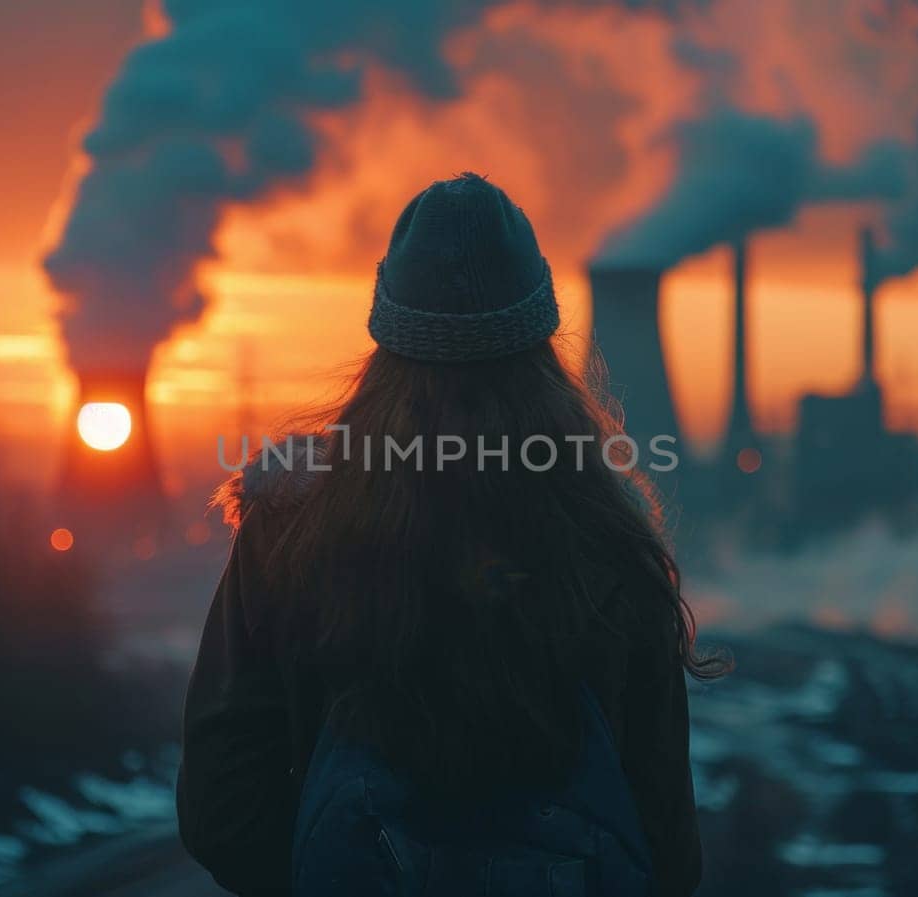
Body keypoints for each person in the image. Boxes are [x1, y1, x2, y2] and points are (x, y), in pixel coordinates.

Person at [177, 172, 727, 896]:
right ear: (541, 343)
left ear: (387, 343)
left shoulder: (294, 531)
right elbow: (667, 849)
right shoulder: (610, 547)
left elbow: (223, 806)